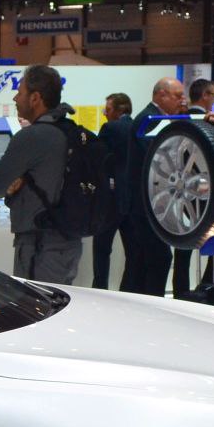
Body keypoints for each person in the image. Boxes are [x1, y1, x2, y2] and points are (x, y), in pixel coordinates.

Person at [0, 65, 81, 283]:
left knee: (35, 302)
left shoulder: (32, 137)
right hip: (68, 243)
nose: (15, 98)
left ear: (35, 98)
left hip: (39, 246)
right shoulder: (70, 130)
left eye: (19, 92)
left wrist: (13, 187)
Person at [118, 77, 184, 296]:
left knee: (142, 259)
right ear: (161, 94)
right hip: (144, 203)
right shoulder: (150, 119)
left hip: (147, 201)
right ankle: (152, 303)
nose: (182, 101)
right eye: (177, 96)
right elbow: (160, 158)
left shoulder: (154, 118)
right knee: (158, 258)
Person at [92, 92, 134, 289]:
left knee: (102, 249)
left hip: (110, 199)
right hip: (132, 199)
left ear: (119, 110)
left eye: (107, 109)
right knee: (133, 252)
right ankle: (127, 291)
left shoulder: (110, 129)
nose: (105, 113)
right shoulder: (139, 127)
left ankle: (100, 290)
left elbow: (98, 158)